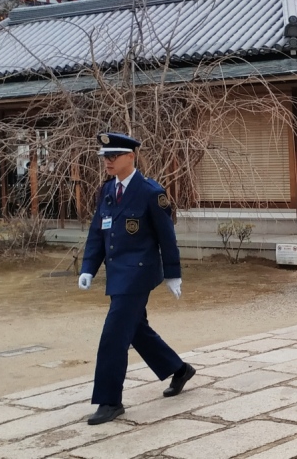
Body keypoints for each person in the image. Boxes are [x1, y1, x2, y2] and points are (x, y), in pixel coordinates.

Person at [78, 133, 193, 425]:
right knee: (136, 330)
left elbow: (166, 236)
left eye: (113, 156)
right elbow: (98, 232)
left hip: (139, 274)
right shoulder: (107, 189)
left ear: (131, 156)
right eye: (105, 156)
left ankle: (109, 401)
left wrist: (173, 273)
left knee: (114, 335)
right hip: (117, 274)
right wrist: (88, 267)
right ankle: (179, 369)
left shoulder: (150, 192)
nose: (107, 161)